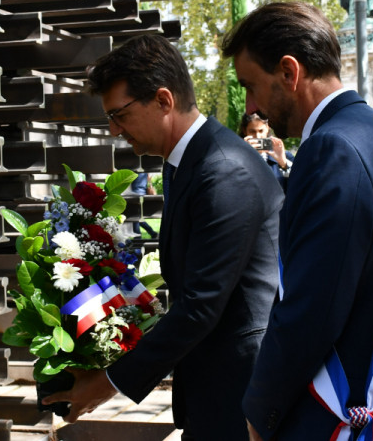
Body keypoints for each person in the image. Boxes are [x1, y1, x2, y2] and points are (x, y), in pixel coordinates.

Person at [42, 34, 283, 439]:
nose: (115, 130)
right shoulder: (184, 161)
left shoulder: (223, 170)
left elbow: (202, 305)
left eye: (120, 114)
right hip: (214, 385)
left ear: (163, 100)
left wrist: (109, 383)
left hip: (241, 391)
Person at [220, 1, 373, 440]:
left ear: (289, 72)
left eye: (252, 86)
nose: (253, 107)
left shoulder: (330, 148)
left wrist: (261, 411)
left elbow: (312, 306)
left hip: (335, 413)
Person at [238, 112, 293, 189]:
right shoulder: (237, 157)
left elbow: (298, 184)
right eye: (252, 131)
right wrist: (245, 156)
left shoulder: (285, 156)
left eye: (261, 131)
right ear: (245, 131)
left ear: (268, 128)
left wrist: (283, 164)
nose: (258, 136)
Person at [128, 172, 158, 239]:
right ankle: (152, 233)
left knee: (135, 217)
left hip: (134, 195)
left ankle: (138, 239)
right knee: (137, 217)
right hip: (143, 194)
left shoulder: (132, 167)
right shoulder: (145, 169)